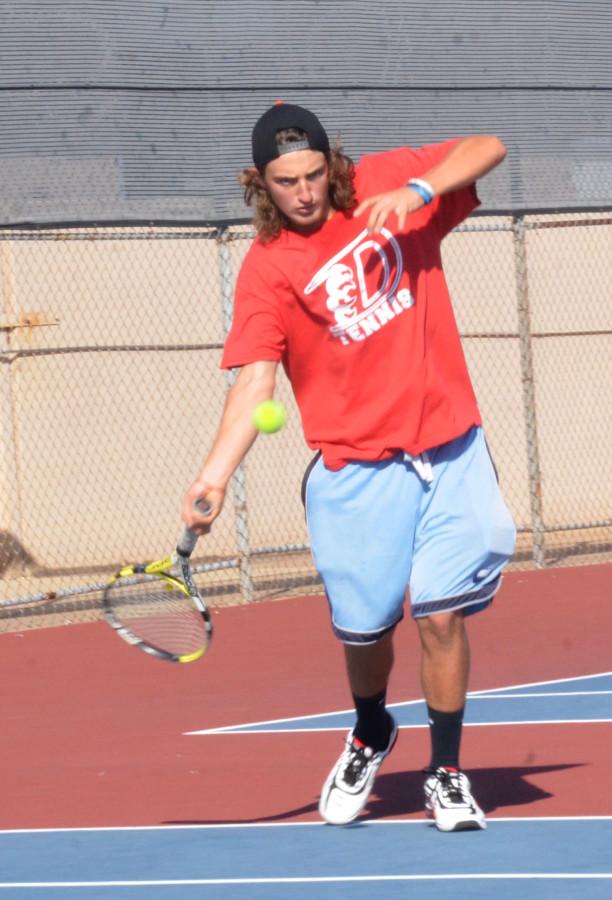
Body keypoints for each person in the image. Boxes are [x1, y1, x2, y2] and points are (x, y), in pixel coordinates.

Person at [182, 101, 516, 832]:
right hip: (358, 470)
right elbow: (255, 385)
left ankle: (447, 773)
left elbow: (488, 143)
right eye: (283, 180)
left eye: (311, 174)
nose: (302, 192)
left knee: (439, 616)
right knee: (365, 633)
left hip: (450, 447)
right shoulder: (268, 271)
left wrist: (420, 191)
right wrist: (212, 477)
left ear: (331, 166)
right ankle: (371, 727)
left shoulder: (384, 182)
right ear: (260, 185)